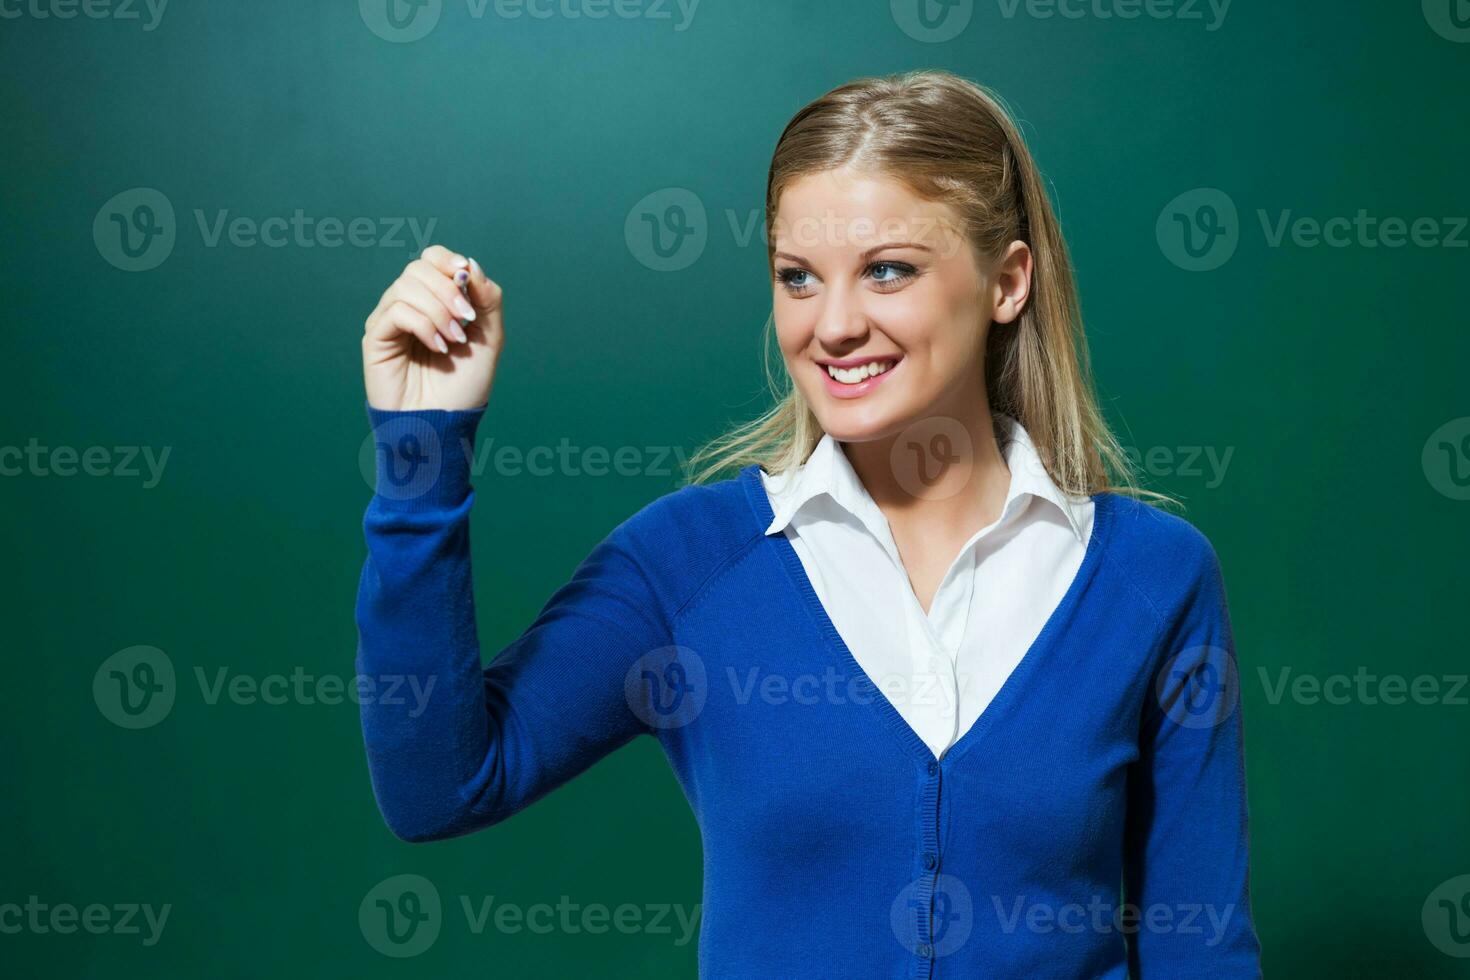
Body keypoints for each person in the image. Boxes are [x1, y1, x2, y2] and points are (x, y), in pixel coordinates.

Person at [355, 69, 1262, 977]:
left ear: (1007, 282)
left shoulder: (1153, 577)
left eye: (888, 270)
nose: (832, 325)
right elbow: (438, 788)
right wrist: (419, 451)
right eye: (798, 277)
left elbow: (1202, 946)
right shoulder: (689, 566)